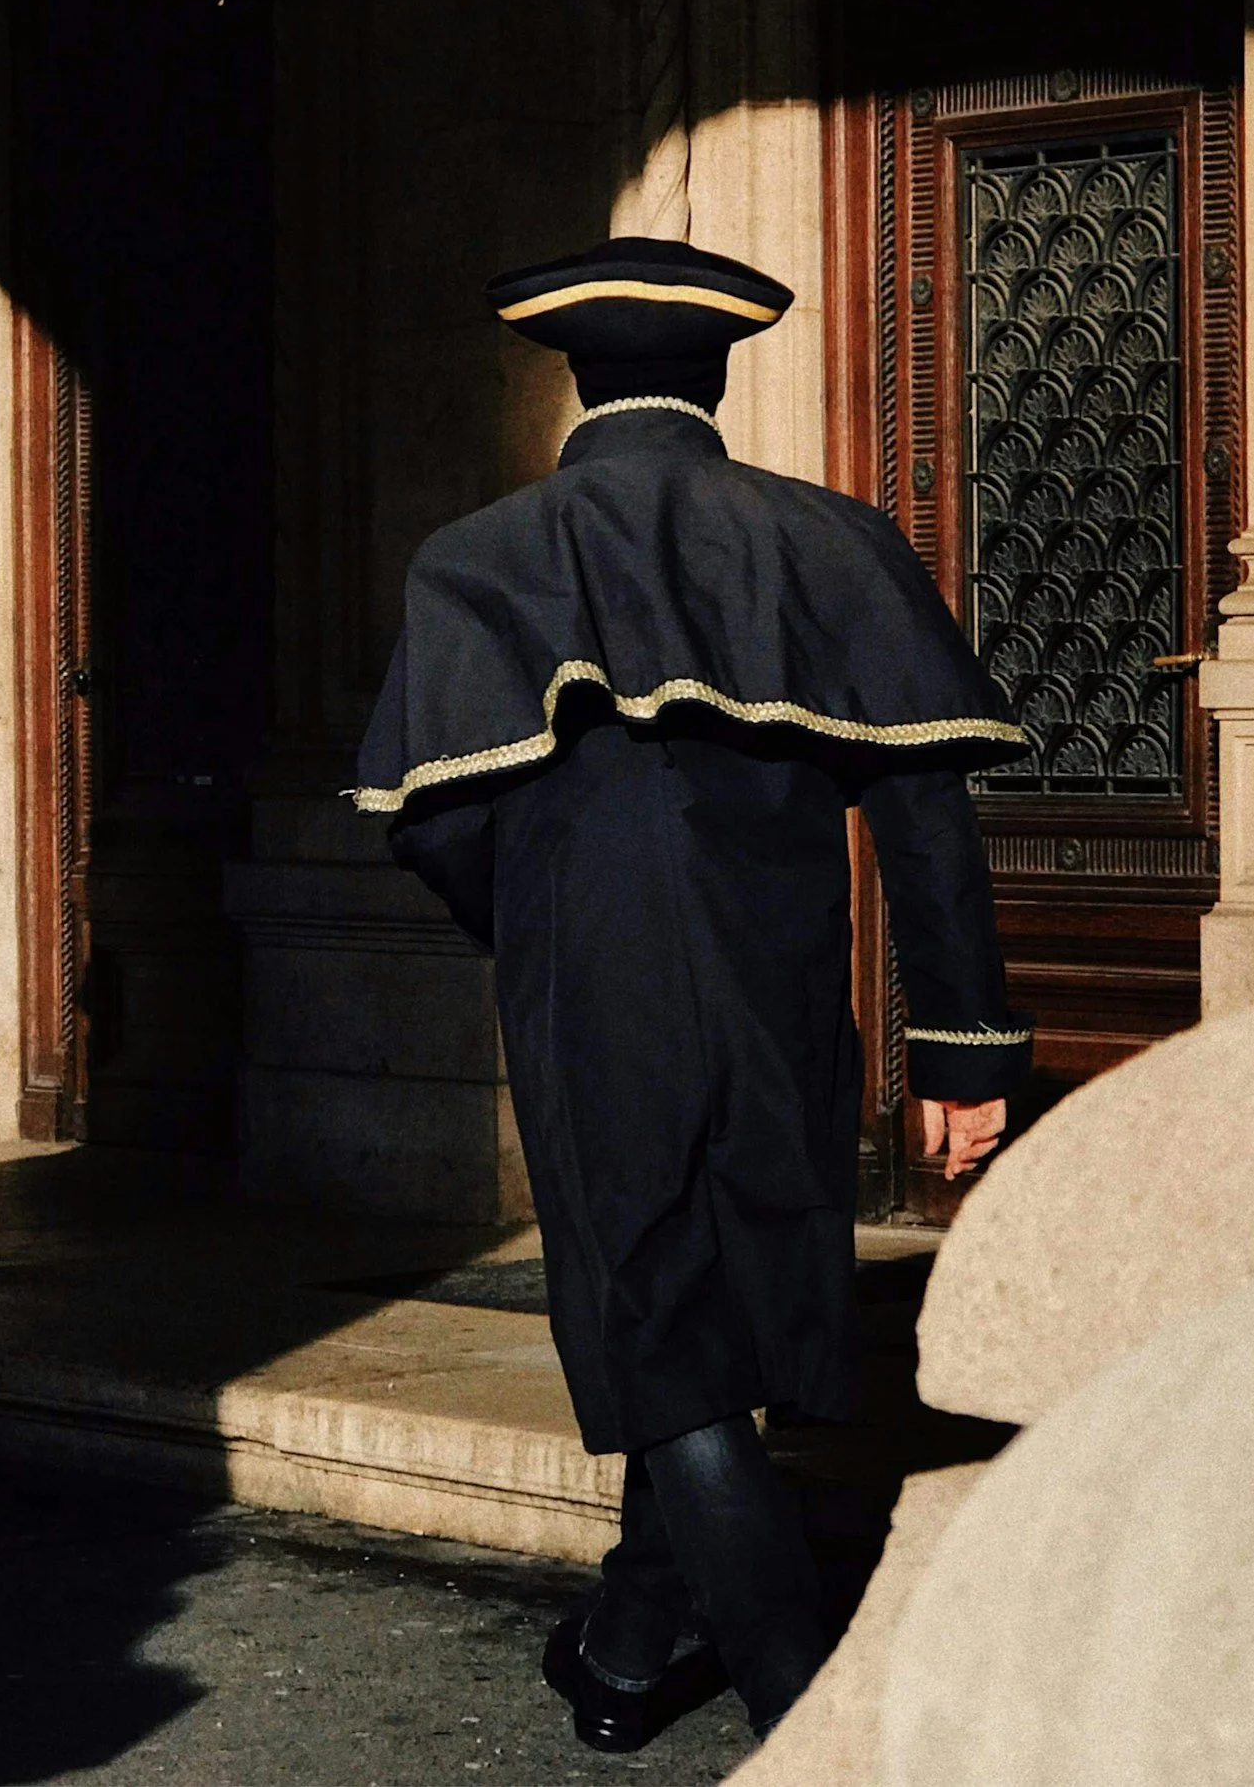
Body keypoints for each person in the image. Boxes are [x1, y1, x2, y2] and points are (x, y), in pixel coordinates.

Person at [352, 237, 1030, 1747]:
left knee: (656, 1319)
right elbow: (928, 818)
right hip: (785, 978)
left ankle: (812, 1718)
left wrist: (532, 932)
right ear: (718, 374)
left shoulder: (479, 556)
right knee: (741, 1290)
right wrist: (962, 1049)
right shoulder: (834, 539)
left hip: (591, 991)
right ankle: (633, 1638)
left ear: (575, 378)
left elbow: (435, 823)